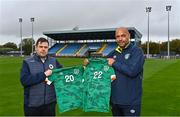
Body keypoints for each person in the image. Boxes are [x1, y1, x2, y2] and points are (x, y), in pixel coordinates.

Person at [107, 27, 145, 116]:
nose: (120, 39)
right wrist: (89, 64)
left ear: (128, 36)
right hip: (115, 102)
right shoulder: (113, 53)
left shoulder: (137, 51)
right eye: (117, 36)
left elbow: (132, 71)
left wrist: (114, 63)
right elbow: (101, 66)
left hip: (130, 102)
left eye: (123, 36)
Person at [20, 37, 62, 116]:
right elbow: (24, 81)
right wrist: (44, 75)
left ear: (48, 49)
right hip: (32, 106)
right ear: (36, 48)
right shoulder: (27, 62)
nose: (43, 49)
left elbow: (64, 74)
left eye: (45, 47)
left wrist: (83, 68)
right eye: (41, 47)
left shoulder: (54, 61)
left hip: (50, 104)